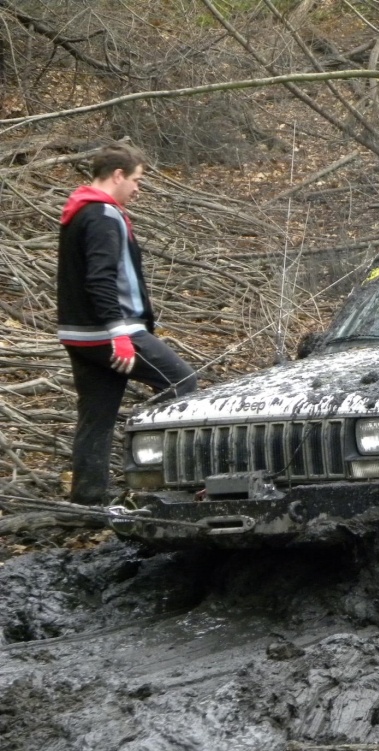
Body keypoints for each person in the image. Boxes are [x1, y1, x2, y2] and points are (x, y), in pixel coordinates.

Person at [56, 141, 197, 505]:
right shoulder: (103, 215)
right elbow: (101, 279)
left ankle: (88, 500)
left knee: (96, 417)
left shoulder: (79, 211)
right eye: (136, 180)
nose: (138, 188)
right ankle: (176, 480)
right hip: (111, 332)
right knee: (182, 382)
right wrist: (119, 334)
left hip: (80, 334)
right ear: (117, 175)